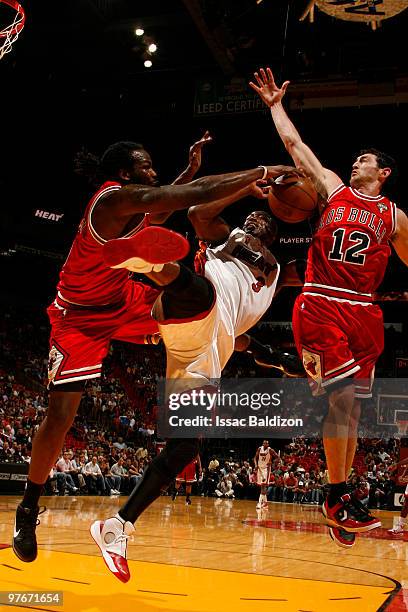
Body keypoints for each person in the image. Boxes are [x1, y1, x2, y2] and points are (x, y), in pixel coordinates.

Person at [12, 131, 286, 563]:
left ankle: (161, 272)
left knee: (197, 315)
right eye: (145, 166)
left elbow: (170, 202)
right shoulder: (111, 201)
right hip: (78, 317)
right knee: (61, 415)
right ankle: (29, 507)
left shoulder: (133, 209)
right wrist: (260, 172)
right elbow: (189, 197)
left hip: (123, 301)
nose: (152, 171)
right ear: (124, 173)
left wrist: (187, 173)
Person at [90, 165, 305, 582]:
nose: (255, 219)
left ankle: (116, 528)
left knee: (185, 448)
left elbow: (244, 338)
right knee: (200, 292)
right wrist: (248, 185)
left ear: (278, 233)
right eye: (252, 216)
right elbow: (197, 216)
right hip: (194, 305)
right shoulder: (231, 236)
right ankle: (146, 260)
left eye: (265, 220)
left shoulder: (276, 274)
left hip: (207, 351)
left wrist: (277, 358)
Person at [250, 66, 408, 549]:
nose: (354, 162)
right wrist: (276, 105)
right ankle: (336, 493)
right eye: (355, 158)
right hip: (321, 302)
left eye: (364, 160)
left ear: (382, 173)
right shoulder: (332, 188)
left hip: (364, 312)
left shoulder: (397, 216)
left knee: (353, 411)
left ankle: (341, 505)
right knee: (340, 399)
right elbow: (297, 148)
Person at [254, 440, 278, 509]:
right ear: (262, 443)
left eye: (267, 443)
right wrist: (255, 465)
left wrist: (272, 462)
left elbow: (277, 457)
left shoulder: (270, 450)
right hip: (260, 468)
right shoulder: (259, 449)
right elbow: (255, 458)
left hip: (266, 469)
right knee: (262, 486)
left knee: (263, 486)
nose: (265, 444)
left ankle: (259, 502)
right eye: (264, 443)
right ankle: (265, 503)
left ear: (268, 444)